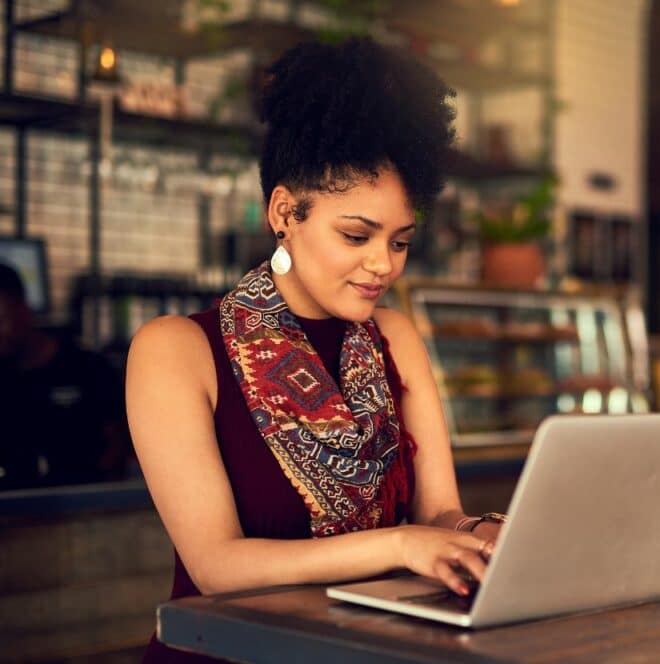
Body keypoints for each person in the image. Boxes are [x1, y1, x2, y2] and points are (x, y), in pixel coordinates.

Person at [127, 38, 504, 663]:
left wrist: (479, 536)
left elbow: (438, 511)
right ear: (284, 213)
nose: (382, 264)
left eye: (401, 241)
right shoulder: (176, 350)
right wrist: (400, 546)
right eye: (356, 234)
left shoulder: (395, 337)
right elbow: (216, 563)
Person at [0, 263, 129, 489]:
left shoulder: (89, 368)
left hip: (86, 505)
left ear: (24, 310)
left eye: (1, 320)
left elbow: (118, 447)